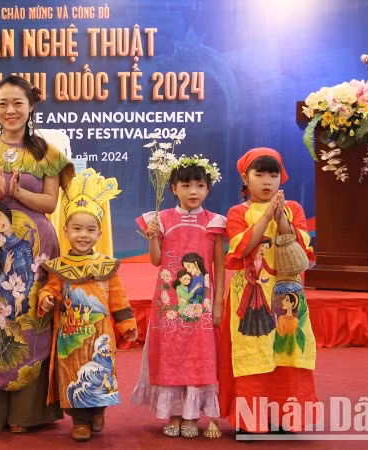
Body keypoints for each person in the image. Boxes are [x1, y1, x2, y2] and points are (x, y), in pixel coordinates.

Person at [0, 75, 74, 434]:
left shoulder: (47, 154)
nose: (10, 110)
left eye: (18, 103)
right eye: (3, 103)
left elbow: (50, 204)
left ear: (31, 107)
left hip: (33, 253)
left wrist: (18, 193)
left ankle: (26, 413)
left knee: (30, 318)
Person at [218, 147, 318, 434]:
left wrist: (281, 215)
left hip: (287, 293)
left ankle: (286, 419)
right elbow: (241, 249)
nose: (267, 181)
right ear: (245, 178)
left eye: (273, 175)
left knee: (287, 350)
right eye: (260, 174)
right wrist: (266, 217)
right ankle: (251, 422)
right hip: (252, 296)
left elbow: (301, 246)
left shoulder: (293, 208)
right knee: (254, 353)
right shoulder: (238, 212)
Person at [37, 168, 138, 442]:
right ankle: (80, 421)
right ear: (65, 230)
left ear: (100, 232)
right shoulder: (59, 266)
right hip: (70, 337)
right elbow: (50, 288)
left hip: (100, 336)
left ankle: (98, 412)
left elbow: (118, 298)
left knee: (101, 374)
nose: (83, 235)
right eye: (77, 229)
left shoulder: (106, 265)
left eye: (90, 230)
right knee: (73, 376)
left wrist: (127, 324)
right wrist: (46, 298)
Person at [131, 154, 225, 439]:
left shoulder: (214, 222)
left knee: (198, 356)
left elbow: (219, 267)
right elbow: (156, 261)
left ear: (208, 188)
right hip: (168, 305)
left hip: (200, 305)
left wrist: (218, 303)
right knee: (170, 355)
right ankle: (173, 413)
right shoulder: (161, 219)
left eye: (199, 185)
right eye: (185, 185)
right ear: (173, 188)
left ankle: (192, 415)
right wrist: (153, 237)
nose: (193, 191)